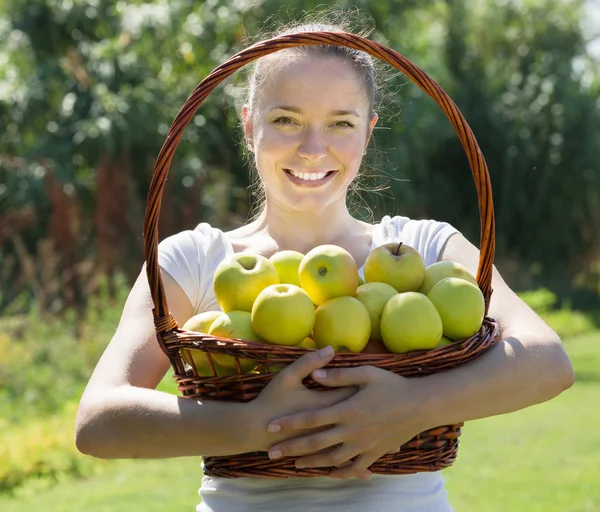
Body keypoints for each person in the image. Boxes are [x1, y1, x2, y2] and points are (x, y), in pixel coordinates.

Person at [74, 14, 575, 512]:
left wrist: (414, 407)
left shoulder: (424, 249)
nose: (314, 149)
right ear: (249, 124)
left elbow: (546, 361)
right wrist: (257, 425)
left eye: (341, 123)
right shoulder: (194, 260)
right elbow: (98, 420)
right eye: (286, 120)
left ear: (368, 131)